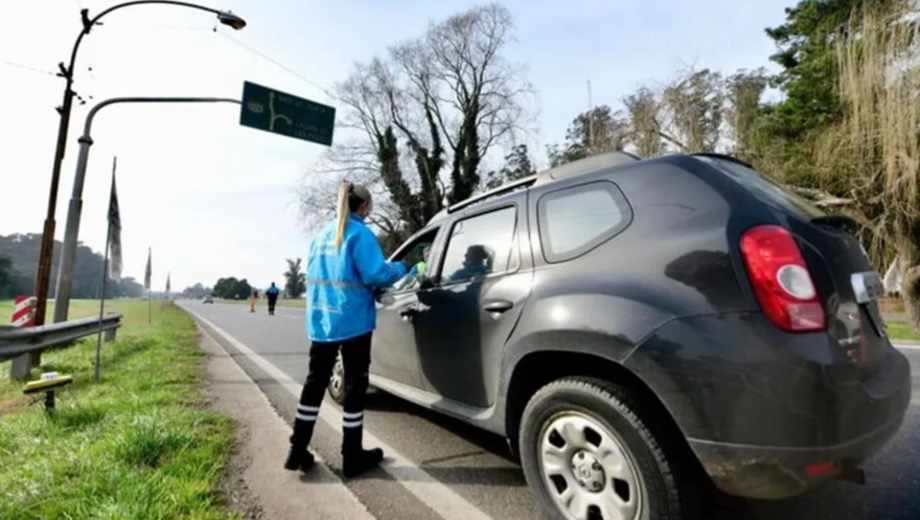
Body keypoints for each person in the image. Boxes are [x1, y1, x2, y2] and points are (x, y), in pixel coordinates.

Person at [285, 181, 407, 478]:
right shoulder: (360, 234)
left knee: (314, 385)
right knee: (354, 389)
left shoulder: (321, 236)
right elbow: (376, 273)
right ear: (363, 206)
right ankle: (352, 455)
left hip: (322, 322)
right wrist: (404, 268)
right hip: (352, 321)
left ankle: (297, 450)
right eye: (369, 208)